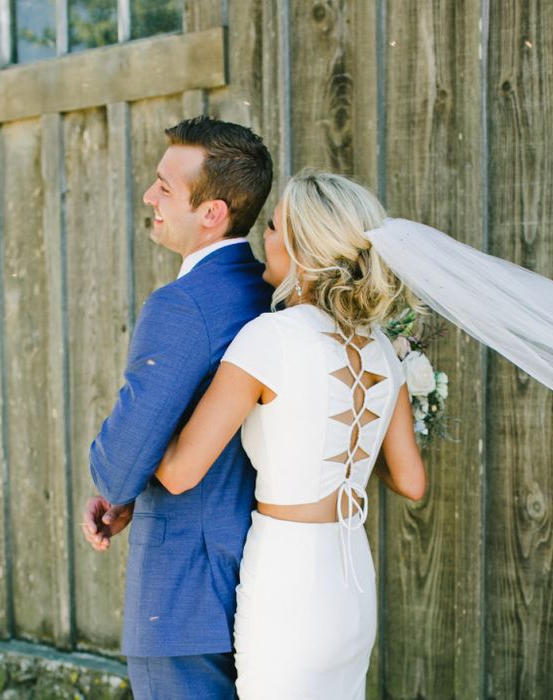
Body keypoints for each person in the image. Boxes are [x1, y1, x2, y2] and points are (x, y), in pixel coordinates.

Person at [154, 170, 427, 698]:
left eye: (275, 228)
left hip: (289, 581)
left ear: (304, 249)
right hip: (352, 578)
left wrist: (155, 413)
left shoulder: (268, 338)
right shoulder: (381, 350)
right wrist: (349, 459)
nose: (265, 241)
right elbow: (412, 481)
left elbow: (181, 473)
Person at [83, 115, 274, 699]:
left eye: (165, 187)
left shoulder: (183, 305)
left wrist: (119, 484)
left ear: (212, 213)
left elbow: (119, 464)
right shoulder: (269, 294)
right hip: (256, 580)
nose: (150, 196)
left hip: (183, 594)